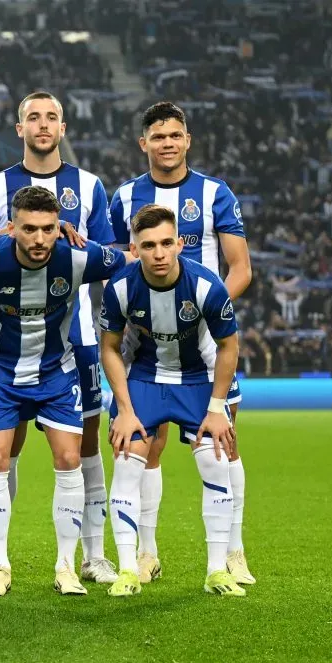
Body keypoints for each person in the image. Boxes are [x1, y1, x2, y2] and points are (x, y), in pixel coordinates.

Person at [0, 91, 118, 586]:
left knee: (85, 448)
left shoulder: (89, 186)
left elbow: (106, 258)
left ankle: (92, 555)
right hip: (7, 341)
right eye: (33, 117)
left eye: (51, 116)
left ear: (63, 127)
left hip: (76, 342)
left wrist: (70, 239)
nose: (42, 124)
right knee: (3, 449)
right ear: (20, 129)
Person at [0, 186, 125, 597]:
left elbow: (129, 262)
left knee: (69, 460)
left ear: (59, 227)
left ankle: (67, 566)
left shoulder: (78, 256)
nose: (40, 238)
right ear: (12, 228)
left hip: (57, 373)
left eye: (49, 228)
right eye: (29, 229)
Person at [109, 101, 254, 586]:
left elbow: (240, 268)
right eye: (158, 136)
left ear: (187, 140)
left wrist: (202, 309)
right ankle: (145, 554)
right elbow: (116, 263)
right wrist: (147, 311)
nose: (167, 143)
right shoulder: (125, 196)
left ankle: (233, 552)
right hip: (146, 343)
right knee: (145, 447)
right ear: (143, 143)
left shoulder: (215, 193)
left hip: (207, 341)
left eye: (175, 135)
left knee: (224, 445)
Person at [101, 204, 244, 597]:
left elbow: (229, 347)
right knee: (126, 463)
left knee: (216, 463)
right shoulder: (120, 287)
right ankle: (128, 570)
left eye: (167, 243)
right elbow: (109, 348)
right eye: (149, 245)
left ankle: (217, 571)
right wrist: (124, 410)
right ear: (135, 249)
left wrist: (216, 409)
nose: (159, 253)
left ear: (180, 244)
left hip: (197, 379)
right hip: (144, 378)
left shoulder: (207, 286)